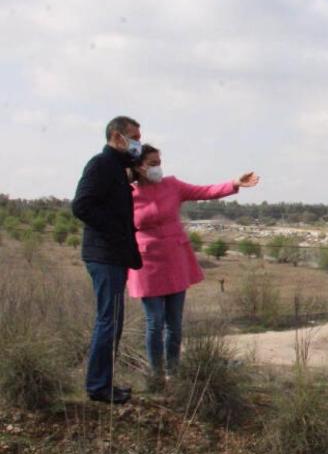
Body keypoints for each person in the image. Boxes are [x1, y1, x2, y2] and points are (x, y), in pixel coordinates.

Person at [127, 144, 259, 384]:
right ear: (138, 166)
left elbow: (205, 191)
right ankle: (155, 375)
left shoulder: (172, 185)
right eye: (152, 164)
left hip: (175, 261)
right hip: (146, 263)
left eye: (160, 162)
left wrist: (234, 183)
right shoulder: (126, 193)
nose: (158, 168)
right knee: (154, 322)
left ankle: (173, 372)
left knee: (174, 323)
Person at [72, 116, 144, 405]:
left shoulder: (116, 167)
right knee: (108, 321)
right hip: (104, 255)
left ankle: (103, 383)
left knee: (112, 321)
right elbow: (81, 205)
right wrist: (114, 229)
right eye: (134, 136)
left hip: (113, 255)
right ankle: (99, 387)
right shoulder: (100, 165)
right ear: (117, 137)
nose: (137, 142)